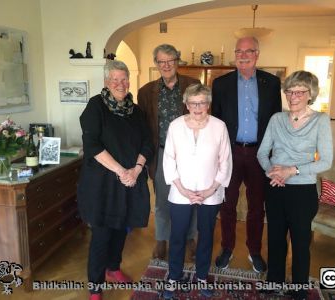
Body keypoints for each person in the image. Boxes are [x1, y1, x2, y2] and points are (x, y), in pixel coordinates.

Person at [77, 60, 153, 300]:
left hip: (130, 181)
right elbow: (92, 145)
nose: (120, 84)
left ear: (129, 81)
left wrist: (137, 170)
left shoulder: (137, 111)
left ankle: (113, 268)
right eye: (115, 80)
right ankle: (96, 287)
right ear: (106, 83)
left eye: (124, 79)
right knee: (102, 235)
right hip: (102, 184)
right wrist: (122, 171)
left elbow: (147, 143)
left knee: (121, 228)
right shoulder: (95, 106)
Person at [257, 70, 333, 300]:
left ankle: (299, 289)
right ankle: (274, 282)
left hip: (303, 191)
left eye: (299, 92)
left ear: (311, 94)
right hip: (275, 187)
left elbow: (327, 161)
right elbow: (262, 152)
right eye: (289, 91)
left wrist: (292, 171)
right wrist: (273, 172)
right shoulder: (277, 119)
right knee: (275, 239)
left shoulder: (320, 120)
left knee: (300, 243)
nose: (293, 97)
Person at [211, 36, 282, 272]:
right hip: (230, 153)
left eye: (248, 51)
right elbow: (216, 123)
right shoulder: (221, 84)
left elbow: (276, 122)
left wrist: (273, 156)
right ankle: (227, 248)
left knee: (256, 206)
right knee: (227, 204)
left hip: (259, 154)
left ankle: (254, 250)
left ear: (257, 54)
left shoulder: (271, 83)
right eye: (239, 51)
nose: (243, 55)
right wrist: (218, 155)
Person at [162, 83, 232, 299]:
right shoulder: (175, 126)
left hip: (210, 193)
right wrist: (183, 190)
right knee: (177, 236)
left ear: (208, 104)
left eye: (202, 102)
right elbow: (169, 160)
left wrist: (210, 190)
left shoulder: (219, 126)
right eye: (193, 103)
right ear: (186, 104)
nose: (198, 107)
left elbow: (226, 161)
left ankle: (202, 277)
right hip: (179, 192)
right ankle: (173, 277)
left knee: (206, 236)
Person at [138, 44, 200, 261]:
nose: (166, 65)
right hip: (161, 154)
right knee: (163, 201)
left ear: (177, 61)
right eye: (161, 61)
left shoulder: (193, 85)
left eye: (170, 60)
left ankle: (191, 237)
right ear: (156, 64)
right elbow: (144, 127)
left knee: (191, 197)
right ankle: (162, 239)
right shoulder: (146, 92)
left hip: (190, 154)